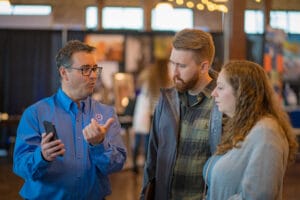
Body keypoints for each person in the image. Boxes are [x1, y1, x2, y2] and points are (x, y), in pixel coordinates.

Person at [13, 40, 127, 200]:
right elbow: (20, 166)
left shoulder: (106, 114)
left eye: (95, 69)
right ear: (64, 73)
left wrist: (98, 145)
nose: (93, 75)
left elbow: (117, 164)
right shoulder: (35, 114)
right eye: (85, 69)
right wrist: (42, 156)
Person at [140, 29, 223, 200]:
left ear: (204, 66)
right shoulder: (166, 100)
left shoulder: (223, 103)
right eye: (172, 63)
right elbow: (152, 161)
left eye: (182, 66)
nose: (174, 73)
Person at [203, 60, 299, 200]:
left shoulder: (266, 133)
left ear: (242, 92)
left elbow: (258, 196)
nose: (213, 93)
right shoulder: (244, 126)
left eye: (221, 87)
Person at [132, 59, 172, 173]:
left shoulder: (148, 76)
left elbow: (138, 90)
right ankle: (146, 166)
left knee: (140, 140)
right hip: (153, 115)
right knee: (148, 142)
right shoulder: (164, 79)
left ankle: (137, 166)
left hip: (144, 114)